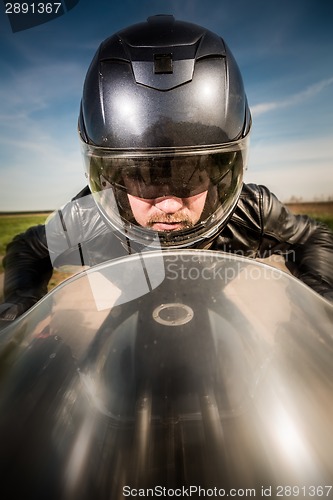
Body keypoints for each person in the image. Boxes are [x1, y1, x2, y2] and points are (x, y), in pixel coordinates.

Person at [1, 14, 333, 321]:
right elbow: (28, 249)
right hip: (126, 321)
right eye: (145, 178)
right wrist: (21, 307)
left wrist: (320, 304)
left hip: (218, 316)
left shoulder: (251, 211)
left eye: (190, 175)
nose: (169, 205)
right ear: (113, 179)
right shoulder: (90, 217)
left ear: (223, 171)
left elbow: (314, 238)